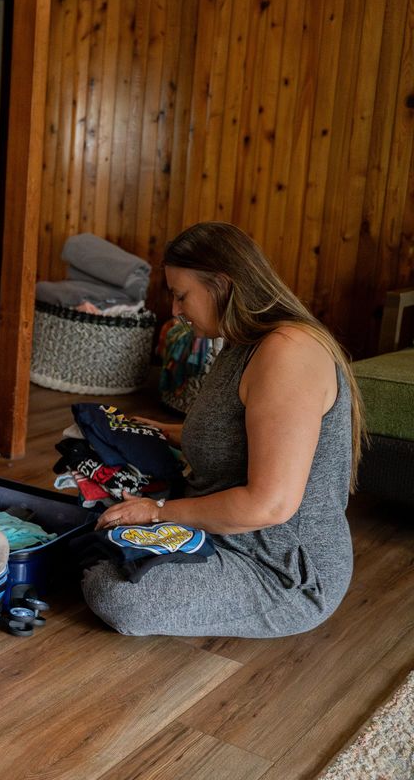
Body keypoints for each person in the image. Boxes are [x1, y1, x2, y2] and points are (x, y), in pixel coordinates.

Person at [81, 221, 364, 638]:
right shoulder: (240, 341)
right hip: (220, 530)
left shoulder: (289, 353)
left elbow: (270, 506)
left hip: (279, 568)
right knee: (95, 510)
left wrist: (158, 513)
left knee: (117, 592)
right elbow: (242, 433)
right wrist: (158, 432)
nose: (175, 310)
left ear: (222, 286)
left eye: (181, 295)